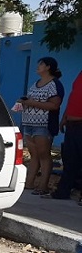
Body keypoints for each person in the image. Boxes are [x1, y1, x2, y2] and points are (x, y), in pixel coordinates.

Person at [18, 57, 64, 195]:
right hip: (29, 123)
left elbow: (54, 105)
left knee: (44, 155)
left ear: (48, 67)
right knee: (34, 155)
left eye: (41, 64)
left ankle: (43, 185)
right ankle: (30, 183)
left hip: (43, 125)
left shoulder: (54, 84)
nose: (38, 67)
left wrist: (32, 103)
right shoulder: (36, 83)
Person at [47, 70, 82, 202]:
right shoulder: (80, 74)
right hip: (72, 123)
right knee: (70, 160)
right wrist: (64, 117)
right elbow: (74, 97)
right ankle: (63, 191)